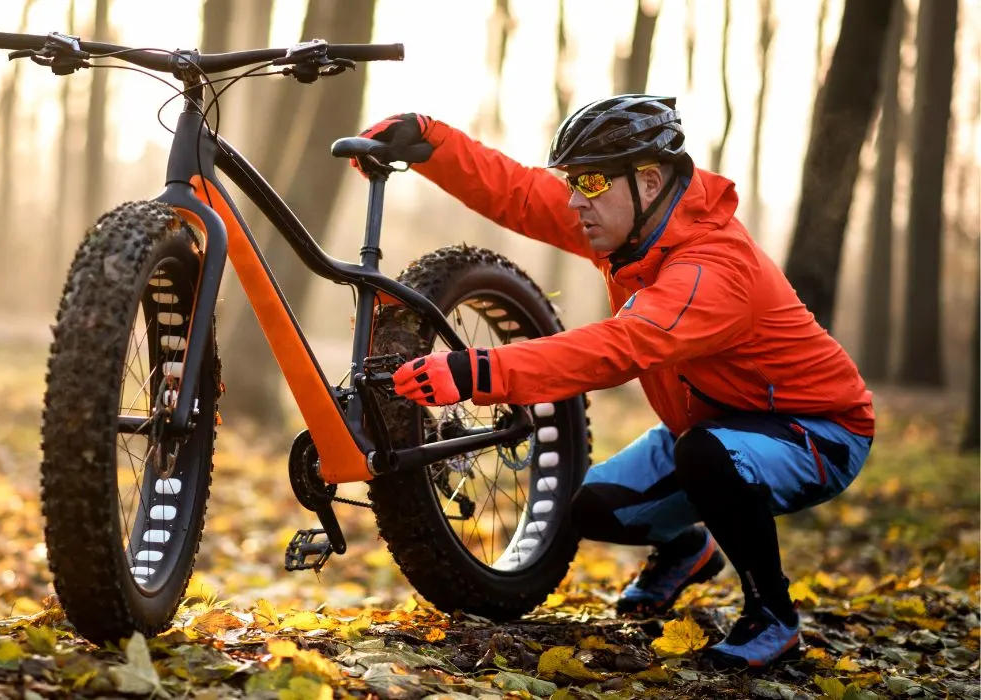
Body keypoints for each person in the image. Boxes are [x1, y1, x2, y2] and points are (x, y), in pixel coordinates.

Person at [353, 95, 874, 670]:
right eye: (575, 181)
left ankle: (772, 618)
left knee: (706, 457)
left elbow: (618, 347)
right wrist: (432, 143)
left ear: (648, 181)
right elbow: (522, 195)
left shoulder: (713, 267)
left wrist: (482, 372)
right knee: (592, 508)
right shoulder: (630, 230)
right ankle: (687, 550)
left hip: (816, 433)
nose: (576, 199)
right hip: (713, 423)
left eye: (591, 181)